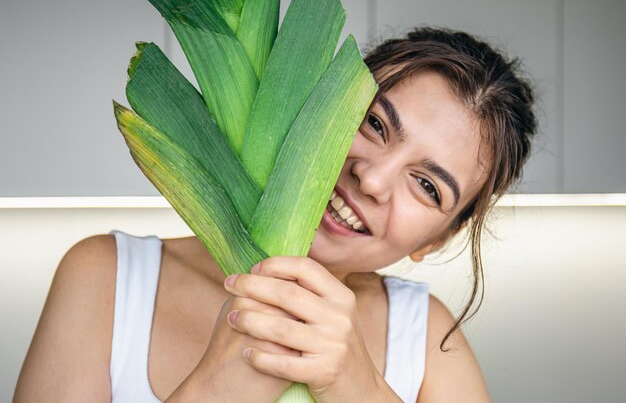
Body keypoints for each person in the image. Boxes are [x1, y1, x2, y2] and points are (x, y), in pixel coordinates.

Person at [13, 27, 536, 403]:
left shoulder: (425, 339)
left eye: (426, 186)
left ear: (438, 239)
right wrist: (218, 386)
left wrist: (358, 387)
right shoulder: (109, 277)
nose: (371, 179)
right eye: (374, 124)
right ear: (321, 104)